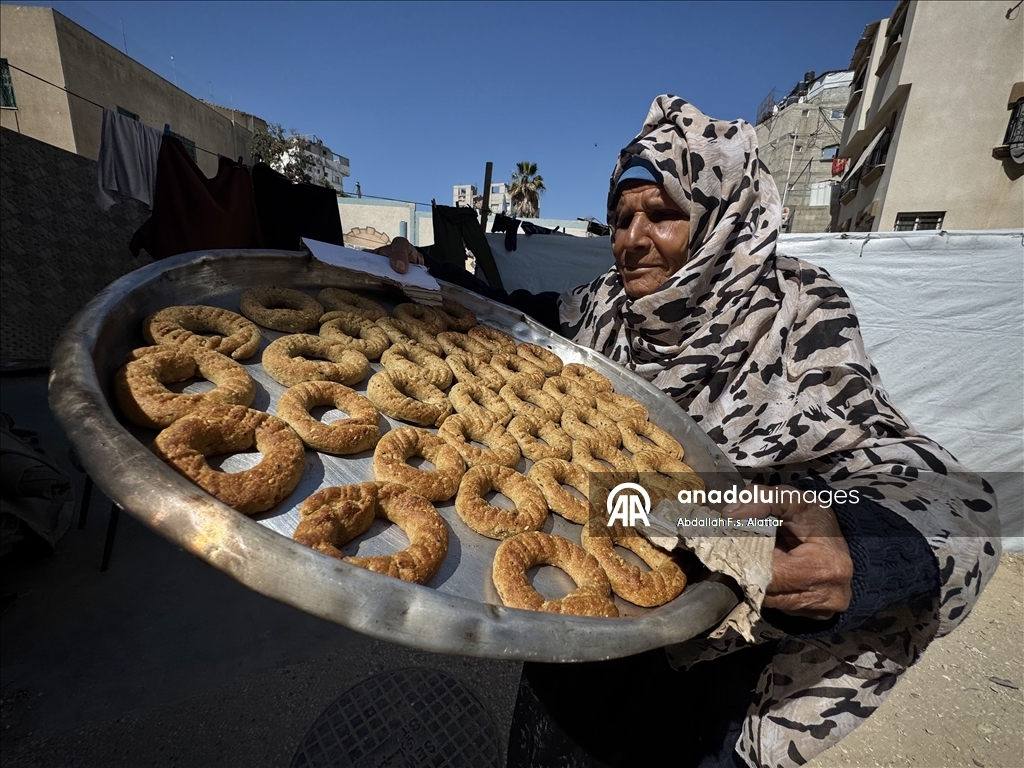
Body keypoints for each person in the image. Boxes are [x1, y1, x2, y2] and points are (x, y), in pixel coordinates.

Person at [376, 95, 1001, 767]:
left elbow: (928, 484)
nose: (633, 237)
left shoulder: (793, 316)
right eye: (621, 218)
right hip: (580, 625)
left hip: (703, 677)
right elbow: (525, 320)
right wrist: (420, 273)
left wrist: (859, 547)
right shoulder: (606, 310)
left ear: (718, 215)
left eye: (664, 214)